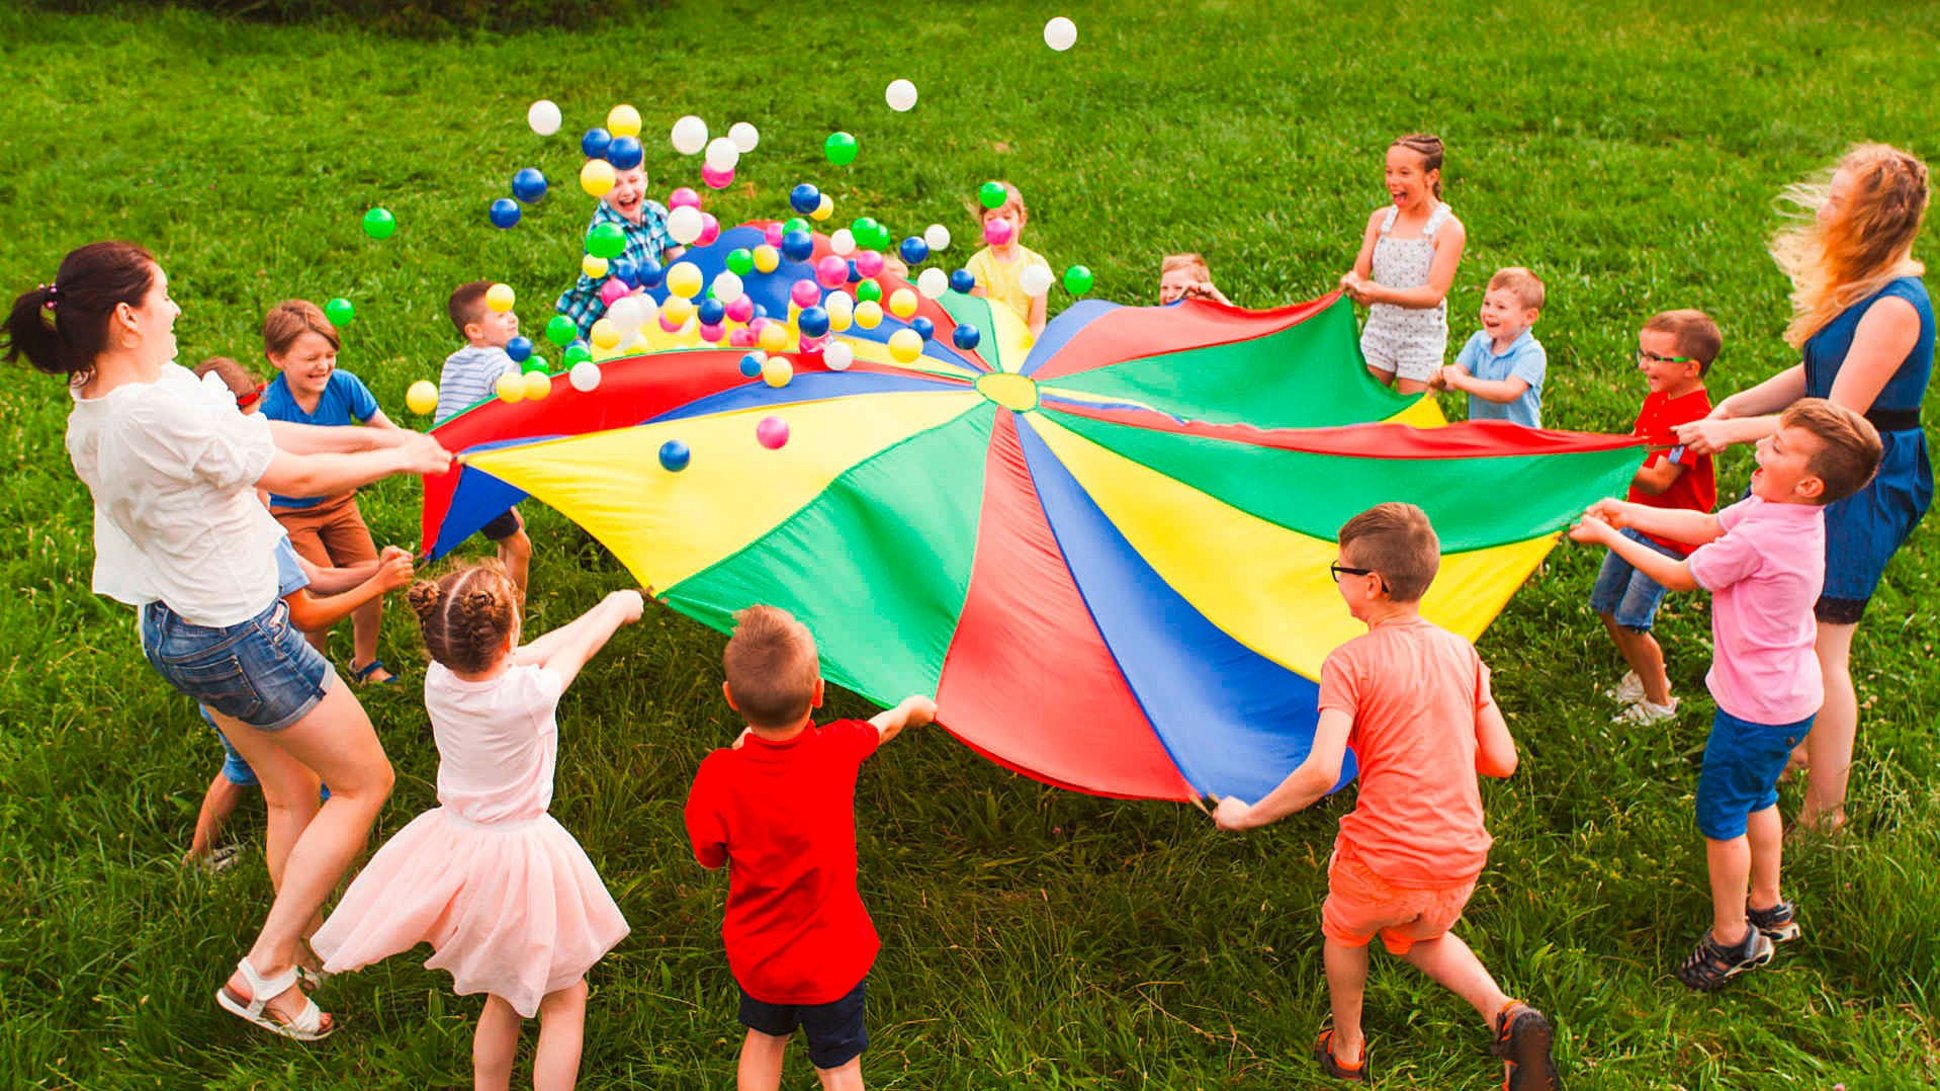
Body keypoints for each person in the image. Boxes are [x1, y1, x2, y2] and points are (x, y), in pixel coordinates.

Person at [3, 241, 450, 1040]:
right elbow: (286, 473)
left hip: (176, 626)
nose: (176, 309)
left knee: (290, 791)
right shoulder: (155, 411)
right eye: (164, 297)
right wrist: (401, 457)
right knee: (364, 780)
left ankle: (299, 951)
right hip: (236, 632)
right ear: (126, 316)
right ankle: (266, 968)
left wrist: (374, 443)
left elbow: (267, 436)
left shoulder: (105, 397)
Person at [1214, 503, 1557, 1089]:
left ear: (1371, 585)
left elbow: (1324, 770)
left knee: (1346, 931)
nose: (1338, 578)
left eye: (1340, 570)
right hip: (1458, 860)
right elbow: (1503, 761)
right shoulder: (1462, 654)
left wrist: (1251, 815)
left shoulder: (1349, 662)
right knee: (1418, 933)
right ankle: (1506, 1013)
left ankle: (1347, 1046)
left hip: (1382, 859)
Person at [1572, 400, 1882, 988]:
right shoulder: (1782, 511)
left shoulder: (1767, 538)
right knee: (1759, 796)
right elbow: (1710, 525)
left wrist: (1610, 534)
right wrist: (1628, 510)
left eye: (1777, 448)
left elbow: (1679, 575)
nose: (1759, 450)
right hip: (1789, 700)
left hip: (1756, 711)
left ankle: (1731, 937)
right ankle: (1769, 905)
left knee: (1721, 819)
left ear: (1810, 482)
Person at [1674, 145, 1932, 833]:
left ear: (1870, 221)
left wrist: (1731, 433)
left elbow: (1836, 420)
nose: (1823, 205)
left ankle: (1827, 811)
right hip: (1834, 457)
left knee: (1825, 640)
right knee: (1799, 620)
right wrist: (1735, 403)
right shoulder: (1861, 287)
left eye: (1838, 198)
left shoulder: (1897, 306)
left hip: (1863, 476)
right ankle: (1795, 736)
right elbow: (1812, 372)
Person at [311, 563, 640, 1089]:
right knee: (566, 997)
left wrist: (604, 609)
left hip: (461, 851)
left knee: (504, 994)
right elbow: (571, 652)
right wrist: (617, 607)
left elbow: (535, 653)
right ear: (508, 635)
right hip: (518, 863)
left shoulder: (439, 680)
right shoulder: (526, 698)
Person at [684, 606, 936, 1091]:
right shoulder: (837, 748)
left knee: (763, 1039)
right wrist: (910, 709)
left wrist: (736, 757)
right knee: (840, 1069)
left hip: (761, 955)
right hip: (831, 959)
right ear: (819, 692)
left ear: (731, 699)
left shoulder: (719, 775)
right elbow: (881, 728)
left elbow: (709, 854)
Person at [184, 536, 415, 870]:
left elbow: (316, 578)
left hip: (226, 678)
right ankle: (330, 867)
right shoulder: (248, 532)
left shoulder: (256, 527)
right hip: (263, 679)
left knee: (240, 768)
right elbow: (307, 616)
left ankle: (196, 858)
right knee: (312, 780)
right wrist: (377, 584)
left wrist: (379, 571)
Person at [257, 299, 404, 685]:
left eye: (330, 354)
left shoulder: (345, 385)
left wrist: (419, 447)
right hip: (290, 514)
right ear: (277, 358)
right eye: (310, 358)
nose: (323, 365)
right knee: (317, 598)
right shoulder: (270, 409)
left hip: (340, 504)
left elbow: (386, 431)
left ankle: (365, 663)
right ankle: (314, 673)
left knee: (371, 579)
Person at [1590, 310, 1723, 725]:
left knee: (1632, 620)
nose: (1643, 365)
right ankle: (1643, 675)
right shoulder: (1659, 398)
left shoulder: (1694, 420)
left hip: (1668, 532)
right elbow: (1637, 450)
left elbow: (1661, 480)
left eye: (1654, 357)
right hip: (1637, 519)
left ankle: (1659, 701)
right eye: (1642, 354)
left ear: (1690, 368)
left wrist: (1608, 466)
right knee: (1605, 606)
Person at [1341, 134, 1468, 395]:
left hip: (1421, 339)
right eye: (1389, 172)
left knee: (1411, 421)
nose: (1393, 181)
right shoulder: (1380, 220)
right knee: (1361, 408)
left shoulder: (1448, 229)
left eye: (1404, 173)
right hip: (1380, 331)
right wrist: (1353, 282)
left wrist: (1379, 294)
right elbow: (1360, 272)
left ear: (1431, 177)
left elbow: (1434, 293)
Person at [436, 281, 534, 593]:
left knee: (511, 527)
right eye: (501, 314)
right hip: (474, 472)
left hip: (451, 463)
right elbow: (515, 412)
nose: (513, 318)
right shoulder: (501, 363)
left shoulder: (455, 360)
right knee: (521, 546)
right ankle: (512, 618)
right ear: (475, 332)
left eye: (511, 310)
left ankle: (501, 591)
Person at [555, 163, 680, 337]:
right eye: (615, 184)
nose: (627, 191)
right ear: (600, 189)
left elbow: (681, 262)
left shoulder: (656, 213)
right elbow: (631, 290)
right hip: (600, 326)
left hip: (642, 306)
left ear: (645, 179)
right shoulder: (604, 233)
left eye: (633, 180)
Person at [1439, 267, 1547, 427]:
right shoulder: (1478, 341)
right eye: (1486, 303)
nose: (1489, 312)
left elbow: (1509, 391)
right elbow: (1455, 377)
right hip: (1483, 436)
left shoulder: (1531, 352)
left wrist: (1461, 381)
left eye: (1501, 307)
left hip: (1521, 442)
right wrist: (1441, 379)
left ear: (1528, 317)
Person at [966, 181, 1052, 338]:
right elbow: (980, 321)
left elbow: (1037, 323)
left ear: (1021, 220)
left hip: (1025, 344)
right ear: (983, 223)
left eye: (1007, 217)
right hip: (991, 344)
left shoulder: (1037, 265)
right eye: (991, 219)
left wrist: (1029, 353)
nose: (1000, 224)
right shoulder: (977, 266)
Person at [1158, 253, 1233, 306]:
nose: (1169, 295)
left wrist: (1215, 295)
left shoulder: (1207, 318)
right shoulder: (1158, 319)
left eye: (1179, 288)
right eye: (1164, 288)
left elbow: (1239, 323)